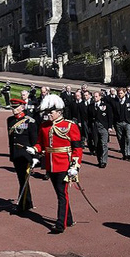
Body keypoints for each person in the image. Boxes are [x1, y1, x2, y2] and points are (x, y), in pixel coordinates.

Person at [27, 94, 82, 234]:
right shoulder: (44, 126)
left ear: (59, 112)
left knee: (62, 194)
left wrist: (75, 166)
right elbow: (41, 144)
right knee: (60, 193)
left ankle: (60, 224)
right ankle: (68, 219)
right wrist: (34, 149)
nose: (48, 115)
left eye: (51, 112)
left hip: (64, 164)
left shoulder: (69, 126)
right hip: (50, 165)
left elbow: (77, 148)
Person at [7, 99, 38, 214]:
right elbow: (11, 140)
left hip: (26, 155)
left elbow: (34, 140)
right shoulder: (10, 120)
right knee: (21, 179)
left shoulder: (30, 121)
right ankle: (27, 202)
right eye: (13, 107)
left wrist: (35, 156)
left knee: (23, 179)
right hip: (16, 154)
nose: (13, 109)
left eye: (16, 107)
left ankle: (23, 205)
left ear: (22, 107)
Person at [111, 88, 130, 161]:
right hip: (118, 123)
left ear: (125, 93)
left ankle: (129, 154)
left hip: (128, 122)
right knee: (121, 139)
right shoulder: (114, 102)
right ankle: (124, 154)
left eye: (121, 93)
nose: (120, 95)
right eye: (118, 93)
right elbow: (112, 114)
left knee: (129, 137)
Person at [88, 91, 113, 168]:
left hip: (103, 127)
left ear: (100, 97)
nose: (95, 98)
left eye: (96, 96)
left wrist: (109, 127)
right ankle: (99, 160)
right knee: (97, 144)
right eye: (94, 96)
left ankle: (104, 161)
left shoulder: (106, 106)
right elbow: (88, 118)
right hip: (94, 127)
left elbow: (110, 116)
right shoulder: (91, 106)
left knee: (104, 144)